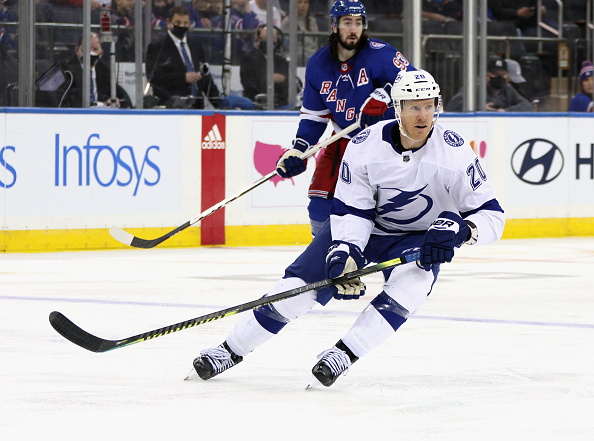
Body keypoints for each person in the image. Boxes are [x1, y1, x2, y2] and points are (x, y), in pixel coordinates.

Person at [191, 69, 505, 387]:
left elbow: (493, 216)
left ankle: (344, 353)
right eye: (413, 106)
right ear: (397, 109)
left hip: (415, 236)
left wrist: (463, 230)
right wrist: (346, 248)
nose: (422, 115)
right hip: (363, 227)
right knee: (295, 290)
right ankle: (229, 350)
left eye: (428, 105)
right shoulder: (365, 145)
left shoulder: (455, 152)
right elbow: (351, 209)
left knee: (413, 286)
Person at [275, 0, 415, 237]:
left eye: (358, 23)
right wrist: (298, 150)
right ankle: (328, 262)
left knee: (388, 209)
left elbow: (419, 82)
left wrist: (385, 94)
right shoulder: (318, 65)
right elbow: (313, 117)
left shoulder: (381, 54)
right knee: (319, 205)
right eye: (347, 23)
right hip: (344, 141)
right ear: (334, 26)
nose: (354, 29)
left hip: (386, 144)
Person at [146, 5, 221, 109]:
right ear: (168, 22)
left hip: (196, 108)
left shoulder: (195, 45)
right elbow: (153, 77)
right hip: (170, 107)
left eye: (185, 23)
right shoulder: (158, 46)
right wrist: (183, 77)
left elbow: (205, 78)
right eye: (178, 23)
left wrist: (218, 103)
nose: (182, 26)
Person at [58, 32, 131, 108]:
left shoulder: (104, 70)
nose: (91, 53)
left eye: (95, 49)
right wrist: (100, 104)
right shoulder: (66, 70)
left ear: (101, 54)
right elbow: (70, 100)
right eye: (87, 48)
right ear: (77, 50)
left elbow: (122, 96)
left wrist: (115, 101)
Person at [445, 58, 532, 112]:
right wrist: (480, 109)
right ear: (487, 74)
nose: (499, 77)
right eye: (495, 74)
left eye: (503, 74)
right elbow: (452, 106)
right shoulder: (475, 88)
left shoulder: (507, 89)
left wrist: (505, 111)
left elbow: (526, 106)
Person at [240, 24, 289, 107]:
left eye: (272, 39)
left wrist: (283, 79)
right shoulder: (249, 59)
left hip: (280, 104)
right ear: (258, 40)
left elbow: (291, 83)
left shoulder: (281, 61)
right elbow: (249, 84)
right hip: (256, 104)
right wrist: (267, 79)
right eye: (265, 39)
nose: (269, 42)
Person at [281, 0, 319, 65]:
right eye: (300, 2)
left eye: (306, 2)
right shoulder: (287, 22)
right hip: (293, 56)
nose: (303, 5)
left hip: (310, 55)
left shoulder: (312, 21)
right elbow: (285, 44)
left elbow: (316, 42)